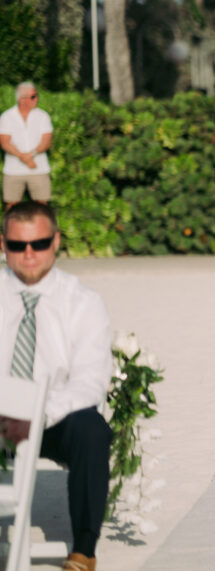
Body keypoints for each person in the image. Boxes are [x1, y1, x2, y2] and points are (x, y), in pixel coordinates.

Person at [0, 201, 113, 571]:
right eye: (18, 245)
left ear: (56, 241)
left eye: (39, 243)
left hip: (53, 418)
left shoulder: (82, 302)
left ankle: (83, 548)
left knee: (91, 430)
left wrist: (37, 413)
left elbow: (90, 381)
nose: (29, 254)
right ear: (3, 245)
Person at [0, 82, 54, 208]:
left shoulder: (43, 116)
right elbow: (4, 142)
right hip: (13, 171)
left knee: (42, 205)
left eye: (36, 95)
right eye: (33, 96)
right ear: (22, 99)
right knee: (11, 206)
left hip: (39, 169)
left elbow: (46, 142)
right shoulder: (6, 117)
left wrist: (30, 155)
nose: (37, 99)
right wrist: (23, 157)